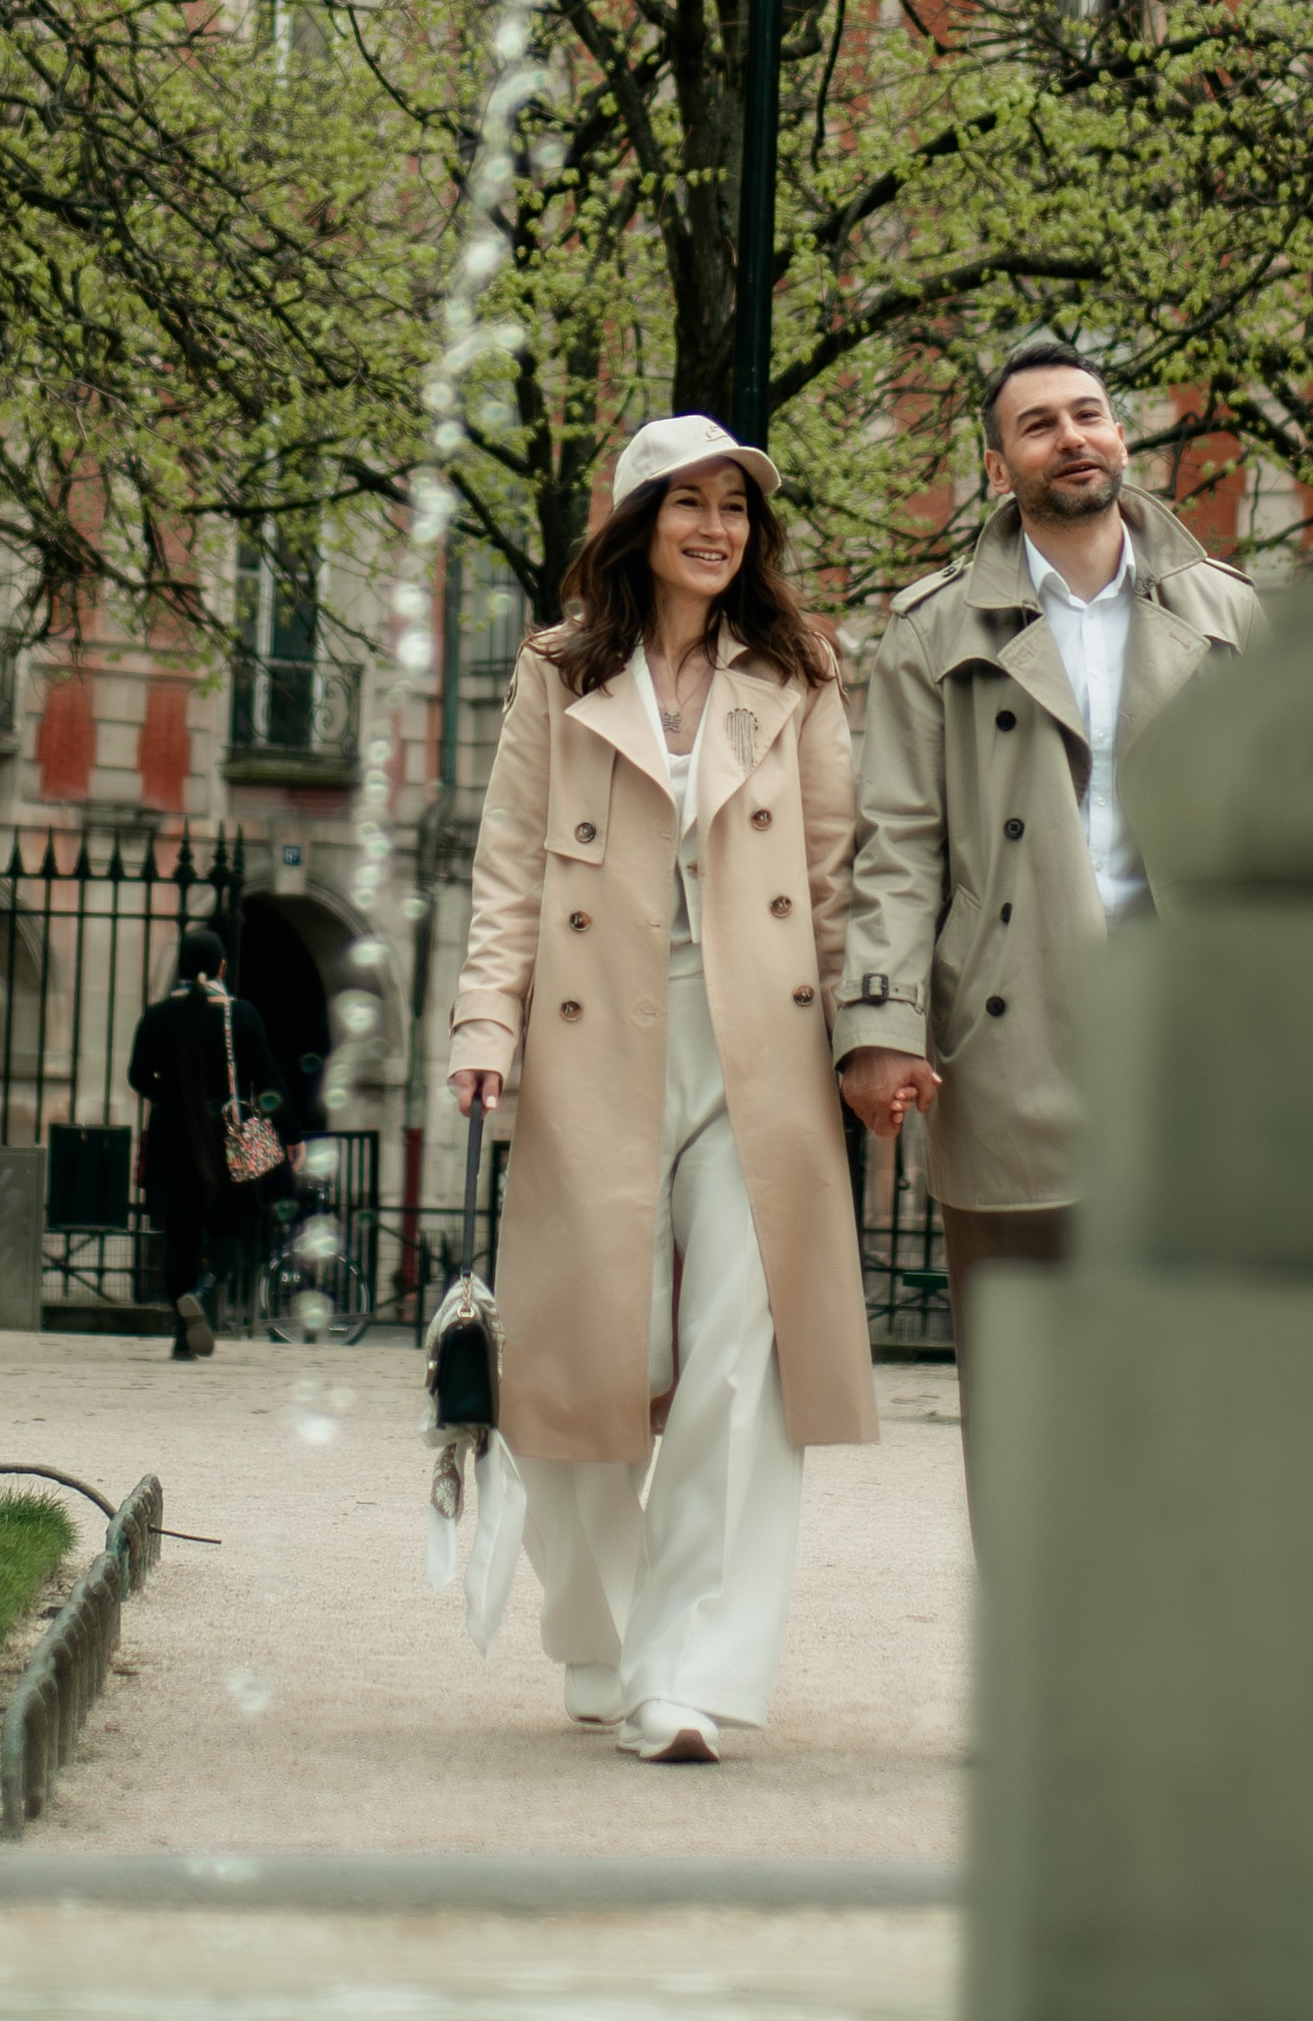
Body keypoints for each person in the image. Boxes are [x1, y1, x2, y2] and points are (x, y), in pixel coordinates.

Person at [449, 414, 876, 1765]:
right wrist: (482, 1020)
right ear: (637, 522)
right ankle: (601, 1625)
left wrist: (873, 1030)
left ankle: (687, 1669)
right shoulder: (559, 671)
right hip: (595, 1038)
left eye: (735, 506)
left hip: (763, 1037)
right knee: (591, 1351)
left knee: (740, 1357)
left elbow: (841, 865)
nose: (715, 526)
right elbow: (509, 859)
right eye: (687, 502)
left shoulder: (800, 668)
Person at [834, 330, 1265, 1462]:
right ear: (997, 466)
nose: (1072, 437)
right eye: (1038, 424)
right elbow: (893, 844)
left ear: (1120, 434)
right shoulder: (930, 632)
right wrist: (878, 1025)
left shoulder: (1229, 615)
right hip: (1010, 1038)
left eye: (1088, 413)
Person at [128, 926, 298, 1356]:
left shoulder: (157, 1015)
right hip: (227, 1135)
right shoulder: (240, 1015)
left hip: (172, 1136)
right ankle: (204, 1294)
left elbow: (137, 1076)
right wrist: (290, 1133)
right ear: (223, 966)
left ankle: (181, 1340)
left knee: (180, 1237)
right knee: (231, 1228)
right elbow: (268, 1078)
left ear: (181, 966)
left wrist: (170, 1099)